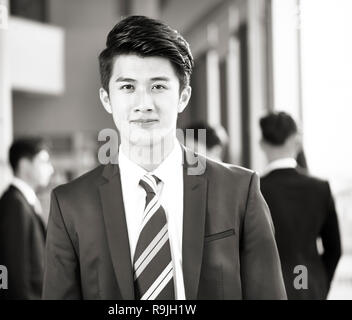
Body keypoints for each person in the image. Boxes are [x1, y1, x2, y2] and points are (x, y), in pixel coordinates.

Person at [42, 15, 286, 300]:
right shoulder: (71, 204)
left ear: (183, 96)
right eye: (127, 87)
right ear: (106, 99)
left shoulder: (239, 191)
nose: (144, 104)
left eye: (158, 86)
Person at [259, 111, 342, 300]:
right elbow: (334, 248)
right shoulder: (320, 188)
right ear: (296, 141)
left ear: (262, 144)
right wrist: (320, 282)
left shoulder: (254, 188)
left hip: (267, 288)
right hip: (308, 285)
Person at [0, 138, 54, 300]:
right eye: (44, 162)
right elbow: (13, 271)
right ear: (25, 165)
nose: (50, 169)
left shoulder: (24, 202)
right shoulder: (14, 203)